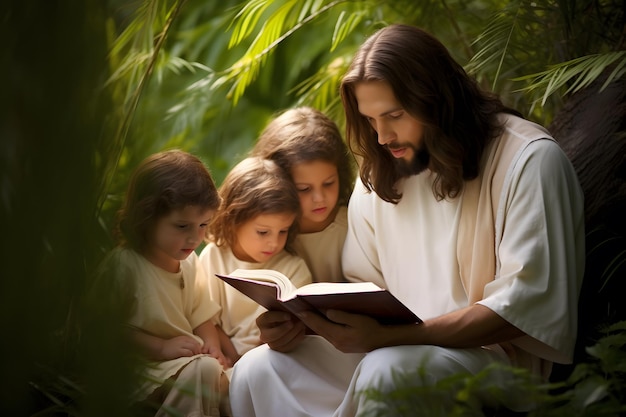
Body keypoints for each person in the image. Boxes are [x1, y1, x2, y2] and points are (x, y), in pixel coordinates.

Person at [229, 24, 585, 416]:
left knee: (390, 371)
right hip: (390, 349)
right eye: (370, 120)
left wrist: (394, 338)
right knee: (257, 370)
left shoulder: (528, 160)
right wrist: (300, 326)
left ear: (436, 98)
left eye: (394, 115)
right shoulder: (379, 176)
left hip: (490, 363)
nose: (381, 137)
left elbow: (520, 308)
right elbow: (366, 293)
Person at [96, 149, 231, 416]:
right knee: (203, 372)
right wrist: (161, 347)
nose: (195, 238)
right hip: (140, 371)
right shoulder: (124, 265)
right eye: (182, 226)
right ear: (147, 218)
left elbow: (201, 316)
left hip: (185, 365)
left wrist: (212, 347)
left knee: (228, 376)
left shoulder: (190, 263)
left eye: (203, 225)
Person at [199, 156, 313, 367]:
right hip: (222, 356)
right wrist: (233, 360)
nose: (274, 242)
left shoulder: (294, 268)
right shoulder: (213, 257)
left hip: (273, 360)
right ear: (233, 219)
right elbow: (206, 321)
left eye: (283, 231)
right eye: (262, 232)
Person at [251, 106, 356, 283]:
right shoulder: (265, 230)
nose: (319, 198)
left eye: (329, 183)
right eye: (304, 189)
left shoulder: (353, 225)